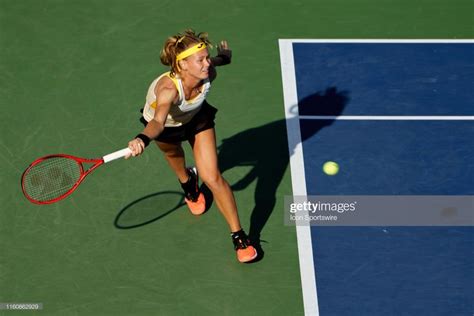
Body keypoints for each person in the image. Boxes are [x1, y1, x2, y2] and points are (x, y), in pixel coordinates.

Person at [126, 29, 257, 263]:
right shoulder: (168, 91)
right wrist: (141, 139)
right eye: (201, 60)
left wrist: (224, 58)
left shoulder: (208, 72)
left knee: (213, 177)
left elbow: (215, 62)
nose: (207, 63)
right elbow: (157, 121)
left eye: (207, 57)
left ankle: (238, 236)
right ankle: (187, 182)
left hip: (197, 119)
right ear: (183, 65)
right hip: (165, 126)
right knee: (175, 155)